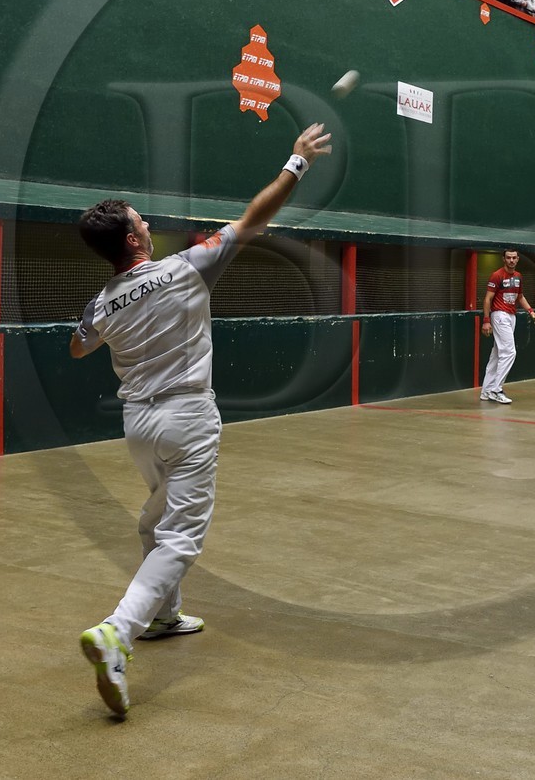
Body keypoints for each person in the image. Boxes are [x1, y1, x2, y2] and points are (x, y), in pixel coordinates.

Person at [73, 123, 335, 719]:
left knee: (155, 517)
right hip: (187, 416)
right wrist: (296, 162)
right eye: (140, 220)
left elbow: (78, 346)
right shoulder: (187, 267)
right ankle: (117, 631)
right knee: (181, 536)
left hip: (138, 426)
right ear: (135, 238)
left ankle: (163, 616)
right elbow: (255, 218)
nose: (147, 222)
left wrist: (114, 316)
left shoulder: (101, 302)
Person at [479, 249, 535, 405]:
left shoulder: (518, 276)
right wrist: (486, 320)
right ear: (503, 259)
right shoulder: (497, 275)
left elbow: (520, 296)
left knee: (497, 354)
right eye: (508, 258)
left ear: (518, 259)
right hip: (499, 315)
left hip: (512, 316)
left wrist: (530, 311)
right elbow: (487, 299)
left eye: (514, 258)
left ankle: (486, 390)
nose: (511, 260)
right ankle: (496, 390)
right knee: (509, 352)